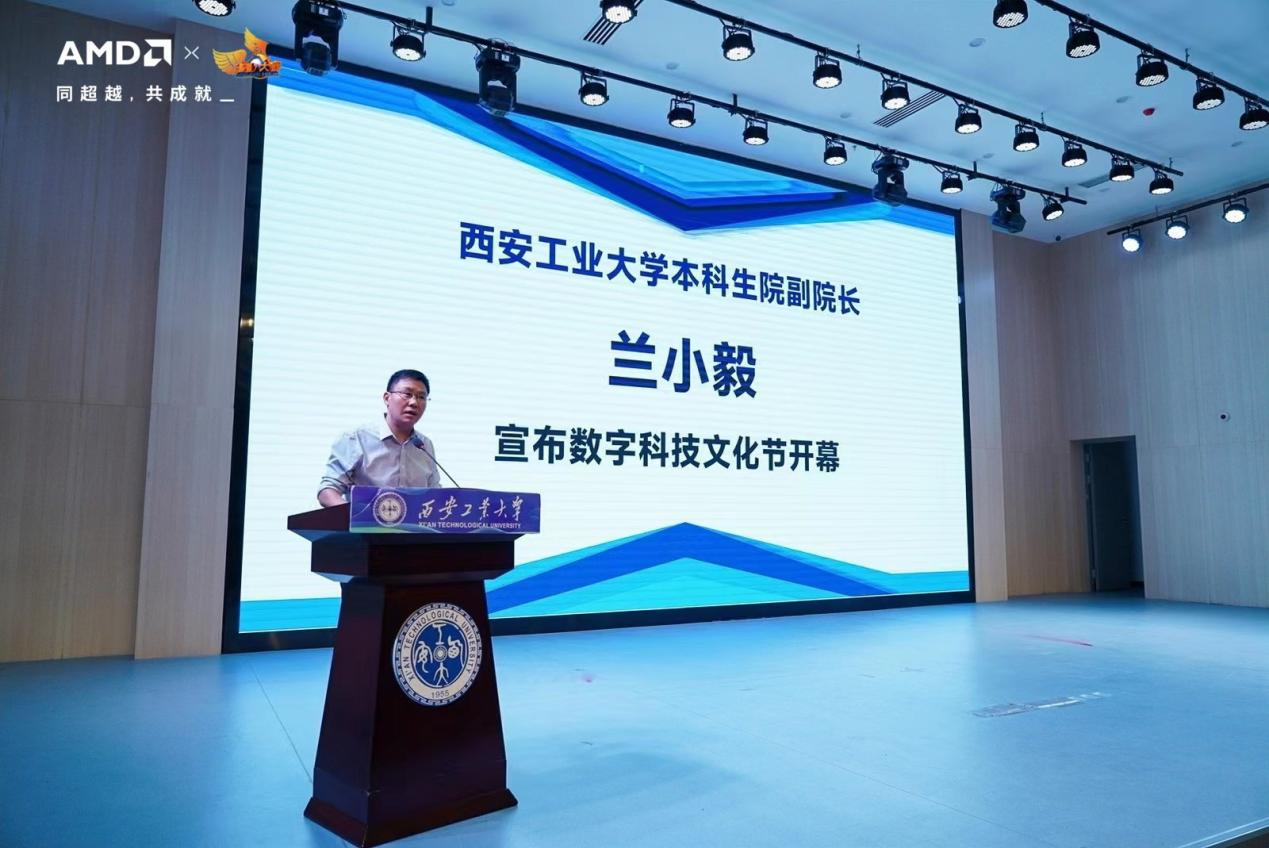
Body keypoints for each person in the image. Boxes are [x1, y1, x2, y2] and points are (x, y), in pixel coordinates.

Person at [317, 369, 440, 506]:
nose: (414, 402)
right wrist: (354, 514)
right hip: (365, 520)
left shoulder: (424, 445)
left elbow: (436, 495)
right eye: (407, 394)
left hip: (413, 521)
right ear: (387, 398)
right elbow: (327, 490)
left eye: (421, 397)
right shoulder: (357, 438)